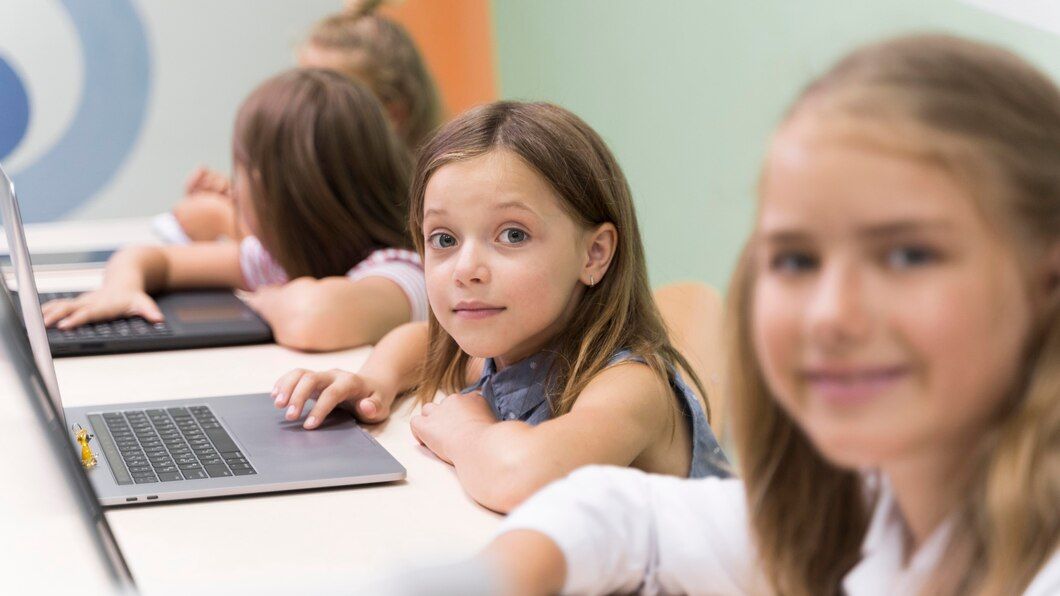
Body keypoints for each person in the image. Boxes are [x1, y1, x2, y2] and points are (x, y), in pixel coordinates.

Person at [472, 34, 1060, 595]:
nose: (830, 315)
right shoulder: (881, 505)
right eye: (797, 259)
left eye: (908, 255)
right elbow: (623, 518)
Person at [272, 101, 728, 513]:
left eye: (513, 234)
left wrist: (468, 430)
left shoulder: (630, 388)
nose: (466, 269)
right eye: (444, 239)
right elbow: (418, 341)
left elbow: (520, 478)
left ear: (594, 255)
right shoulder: (507, 350)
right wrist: (373, 381)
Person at [43, 69, 427, 352]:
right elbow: (150, 257)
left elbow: (313, 319)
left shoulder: (400, 273)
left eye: (242, 172)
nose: (235, 189)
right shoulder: (275, 259)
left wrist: (268, 299)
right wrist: (121, 288)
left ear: (274, 191)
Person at [163, 0, 442, 243]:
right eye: (302, 85)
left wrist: (228, 222)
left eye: (323, 95)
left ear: (391, 114)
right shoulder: (316, 174)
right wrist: (241, 202)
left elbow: (320, 264)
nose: (302, 108)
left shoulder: (415, 202)